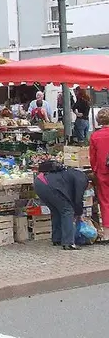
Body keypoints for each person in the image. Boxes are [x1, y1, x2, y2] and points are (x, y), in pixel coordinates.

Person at [33, 160, 88, 250]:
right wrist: (78, 213)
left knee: (57, 211)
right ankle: (68, 243)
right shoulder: (82, 179)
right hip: (48, 185)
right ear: (90, 182)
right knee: (67, 211)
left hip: (39, 182)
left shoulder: (75, 174)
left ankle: (57, 239)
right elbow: (78, 198)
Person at [90, 107, 109, 242]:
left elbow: (93, 158)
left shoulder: (95, 136)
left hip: (103, 172)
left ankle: (107, 233)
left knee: (105, 201)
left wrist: (95, 170)